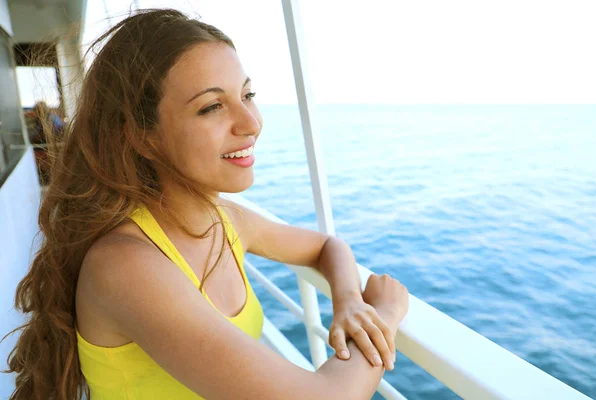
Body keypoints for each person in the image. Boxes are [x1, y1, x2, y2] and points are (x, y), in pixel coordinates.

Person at [2, 8, 409, 400]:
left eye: (247, 94)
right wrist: (386, 315)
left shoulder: (225, 221)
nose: (251, 123)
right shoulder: (126, 266)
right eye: (212, 106)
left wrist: (351, 302)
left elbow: (325, 246)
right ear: (143, 137)